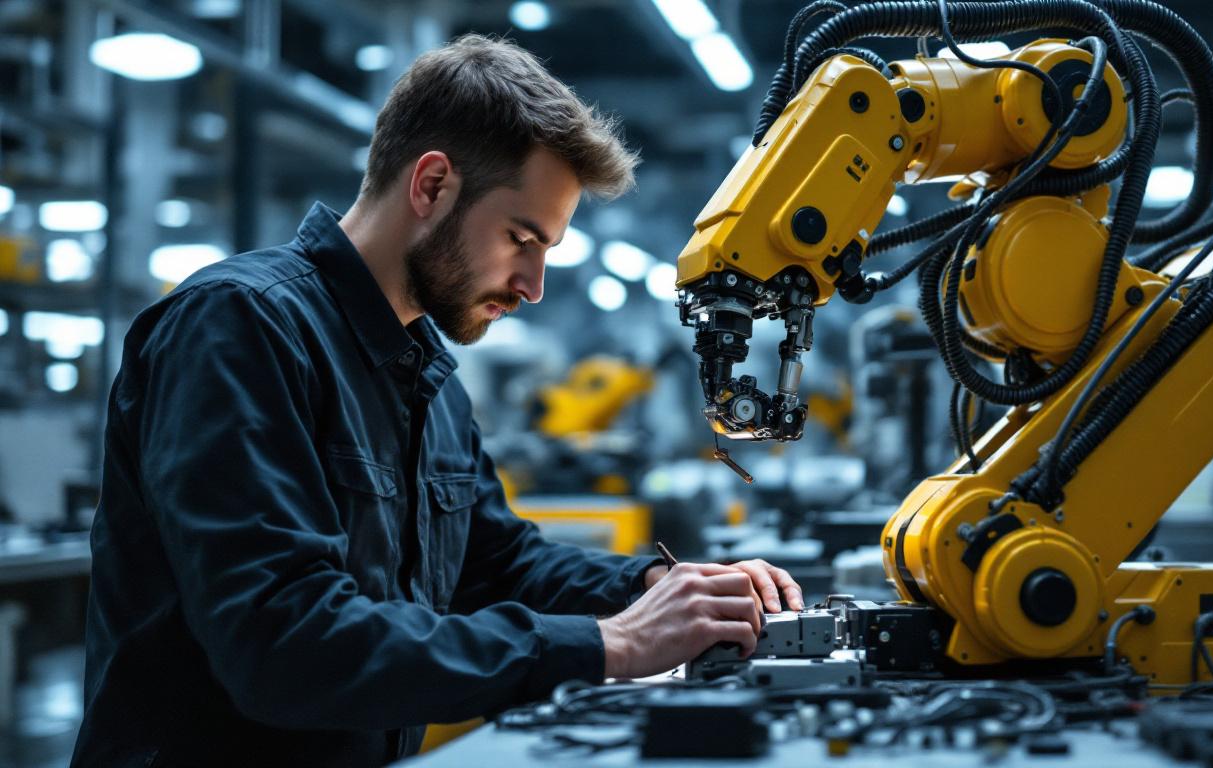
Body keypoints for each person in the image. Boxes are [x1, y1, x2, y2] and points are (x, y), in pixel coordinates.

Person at [73, 34, 804, 767]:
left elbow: (496, 563)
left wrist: (657, 587)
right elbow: (283, 643)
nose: (534, 284)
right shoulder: (240, 327)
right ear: (431, 186)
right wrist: (613, 643)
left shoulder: (427, 373)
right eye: (522, 238)